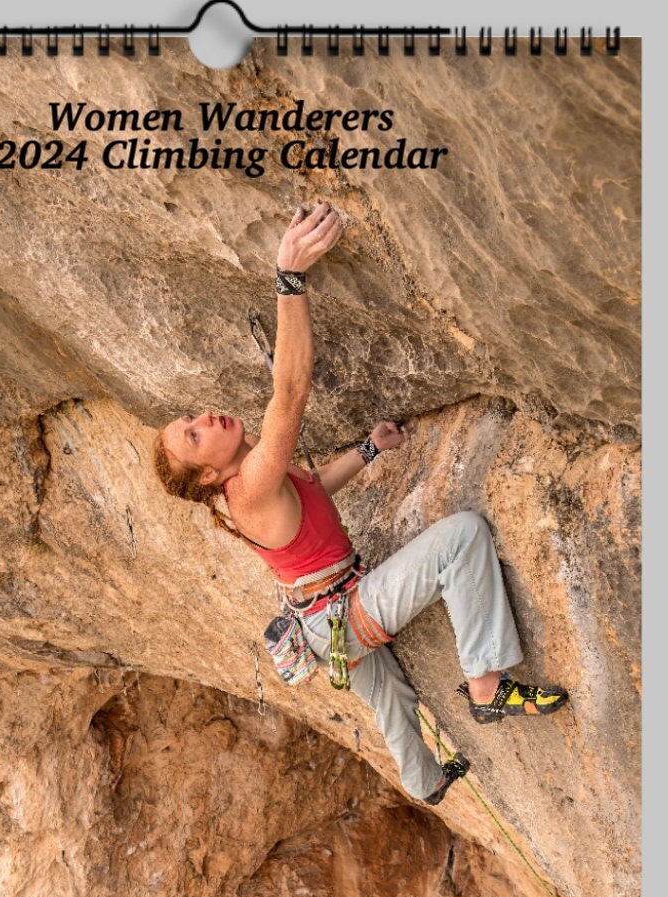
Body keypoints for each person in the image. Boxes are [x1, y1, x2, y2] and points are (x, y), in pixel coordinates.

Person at [152, 202, 568, 806]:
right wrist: (289, 276)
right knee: (464, 538)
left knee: (392, 698)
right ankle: (487, 685)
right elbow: (290, 392)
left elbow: (315, 489)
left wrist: (369, 451)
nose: (202, 419)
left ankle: (425, 783)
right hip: (342, 613)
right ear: (210, 472)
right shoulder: (248, 484)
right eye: (193, 436)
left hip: (324, 621)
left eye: (188, 418)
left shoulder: (261, 481)